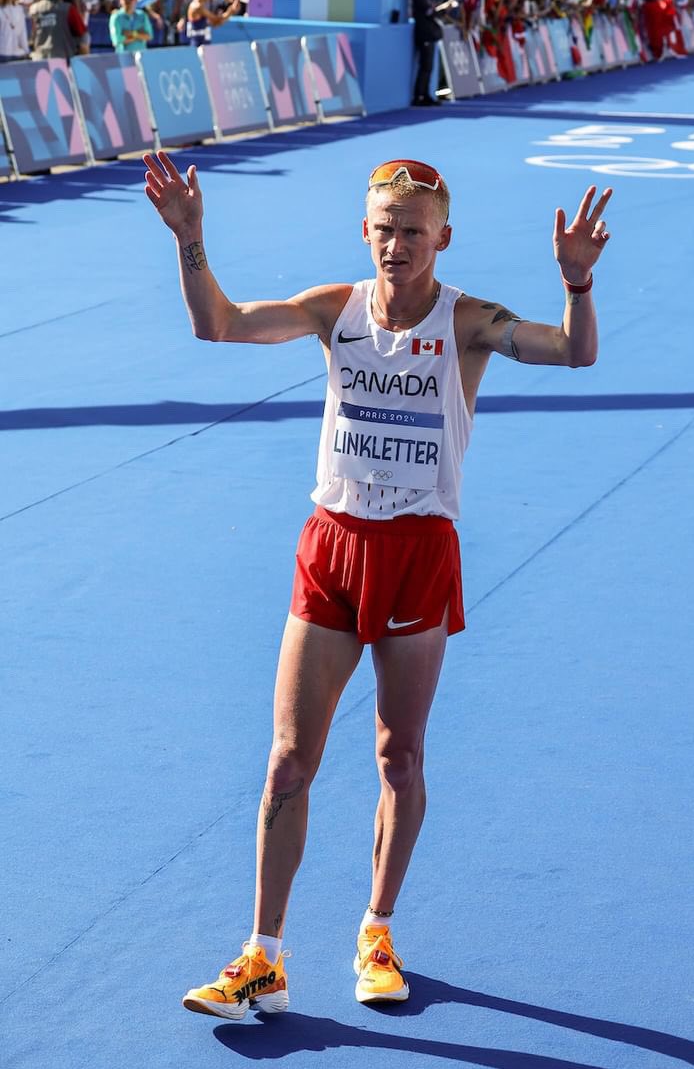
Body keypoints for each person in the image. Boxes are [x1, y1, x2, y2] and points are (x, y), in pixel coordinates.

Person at [142, 151, 612, 1018]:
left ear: (443, 237)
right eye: (384, 229)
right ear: (366, 231)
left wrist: (577, 286)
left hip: (416, 550)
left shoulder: (470, 322)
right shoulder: (336, 310)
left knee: (399, 753)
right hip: (333, 543)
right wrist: (192, 240)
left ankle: (377, 928)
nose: (397, 246)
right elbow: (222, 324)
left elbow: (573, 355)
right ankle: (264, 954)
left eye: (413, 232)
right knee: (289, 758)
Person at [410, 0, 460, 105]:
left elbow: (433, 10)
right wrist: (445, 8)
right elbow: (431, 12)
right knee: (425, 67)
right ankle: (419, 96)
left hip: (429, 36)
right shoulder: (420, 0)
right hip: (424, 35)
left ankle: (425, 95)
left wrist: (444, 7)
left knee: (428, 67)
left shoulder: (427, 0)